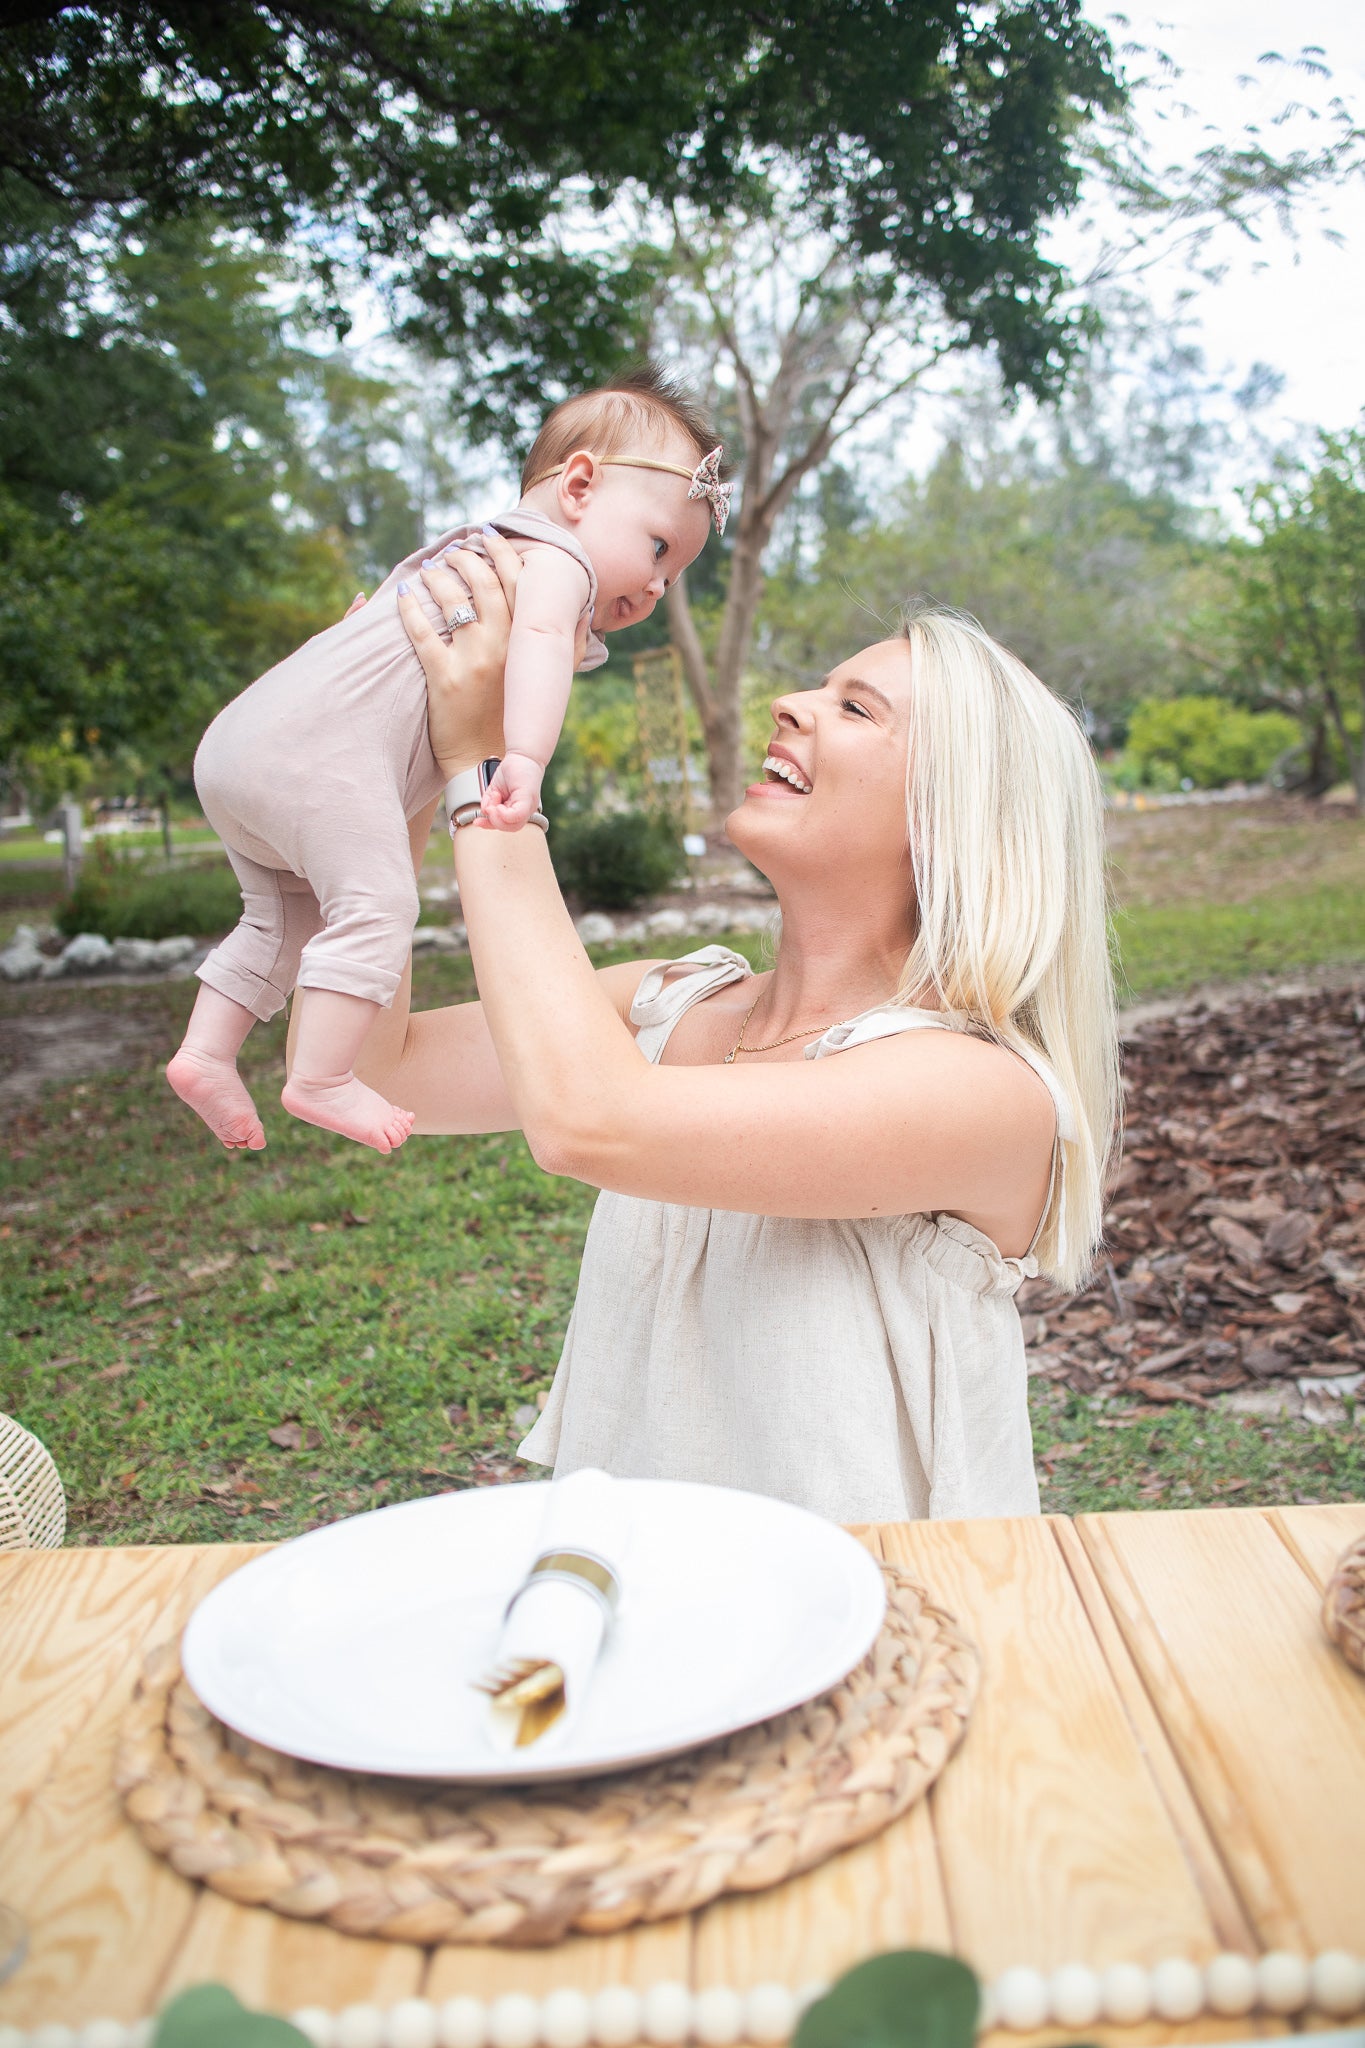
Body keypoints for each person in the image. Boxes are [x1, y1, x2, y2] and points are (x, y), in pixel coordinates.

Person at [336, 542, 1119, 1525]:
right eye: (821, 687)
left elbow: (589, 1122)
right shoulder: (669, 1009)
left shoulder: (980, 1092)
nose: (792, 701)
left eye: (856, 706)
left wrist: (482, 769)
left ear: (948, 817)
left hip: (889, 1641)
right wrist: (397, 760)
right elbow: (378, 1063)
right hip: (639, 1614)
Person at [167, 367, 727, 1158]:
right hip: (318, 759)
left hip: (241, 742)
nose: (658, 585)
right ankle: (321, 1080)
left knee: (280, 921)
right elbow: (533, 646)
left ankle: (203, 1054)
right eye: (659, 547)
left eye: (675, 574)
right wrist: (522, 758)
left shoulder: (467, 552)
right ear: (578, 487)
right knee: (380, 907)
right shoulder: (556, 561)